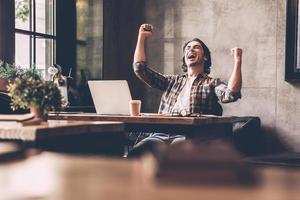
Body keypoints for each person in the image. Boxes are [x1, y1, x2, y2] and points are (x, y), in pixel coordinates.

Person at [129, 24, 242, 157]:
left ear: (205, 57)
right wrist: (141, 37)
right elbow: (140, 69)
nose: (191, 50)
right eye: (188, 48)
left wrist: (237, 60)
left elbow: (230, 94)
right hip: (161, 133)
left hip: (189, 135)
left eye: (196, 47)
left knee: (175, 157)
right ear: (185, 58)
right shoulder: (172, 81)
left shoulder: (212, 83)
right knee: (135, 154)